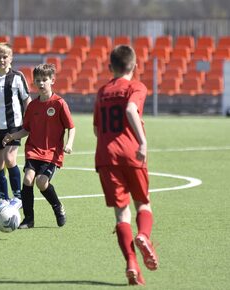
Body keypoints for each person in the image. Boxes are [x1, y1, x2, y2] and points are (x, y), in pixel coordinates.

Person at [93, 45, 159, 285]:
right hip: (132, 154)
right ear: (134, 65)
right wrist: (142, 141)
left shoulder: (102, 92)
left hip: (106, 157)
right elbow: (131, 108)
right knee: (143, 203)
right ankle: (143, 235)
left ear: (110, 67)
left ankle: (132, 263)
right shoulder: (136, 86)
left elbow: (96, 128)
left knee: (122, 213)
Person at [2, 63, 75, 229]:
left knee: (42, 182)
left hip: (52, 152)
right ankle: (29, 220)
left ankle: (57, 207)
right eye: (38, 80)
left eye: (44, 80)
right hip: (33, 149)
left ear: (52, 81)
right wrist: (12, 136)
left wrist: (69, 144)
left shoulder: (59, 103)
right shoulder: (32, 106)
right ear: (33, 82)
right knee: (28, 180)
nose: (41, 83)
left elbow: (71, 127)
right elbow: (26, 129)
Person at [0, 43, 31, 203]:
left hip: (14, 125)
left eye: (5, 57)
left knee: (9, 159)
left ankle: (18, 196)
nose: (1, 60)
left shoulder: (17, 77)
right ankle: (3, 197)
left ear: (11, 58)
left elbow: (26, 99)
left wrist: (29, 121)